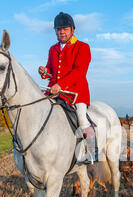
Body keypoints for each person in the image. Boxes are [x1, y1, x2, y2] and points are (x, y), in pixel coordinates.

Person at [39, 12, 95, 163]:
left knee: (82, 119)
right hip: (53, 92)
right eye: (58, 29)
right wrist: (45, 72)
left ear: (72, 29)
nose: (61, 32)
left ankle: (91, 153)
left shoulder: (82, 47)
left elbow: (79, 71)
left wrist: (61, 85)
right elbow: (51, 70)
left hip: (75, 93)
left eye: (65, 29)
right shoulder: (53, 49)